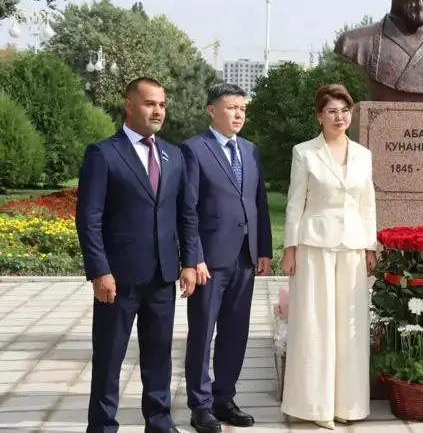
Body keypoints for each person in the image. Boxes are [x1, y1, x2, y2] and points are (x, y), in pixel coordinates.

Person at [76, 77, 197, 433]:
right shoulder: (103, 154)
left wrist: (189, 261)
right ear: (129, 106)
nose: (158, 110)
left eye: (161, 104)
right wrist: (100, 271)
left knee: (159, 356)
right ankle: (101, 427)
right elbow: (89, 218)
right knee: (109, 357)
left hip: (162, 275)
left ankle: (159, 422)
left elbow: (185, 214)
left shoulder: (174, 155)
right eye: (149, 104)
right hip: (118, 277)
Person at [279, 84, 377, 430]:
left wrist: (370, 247)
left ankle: (348, 405)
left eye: (345, 110)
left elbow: (368, 205)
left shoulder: (364, 154)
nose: (340, 117)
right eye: (332, 111)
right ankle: (313, 406)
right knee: (315, 325)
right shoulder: (304, 153)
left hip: (352, 248)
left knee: (350, 328)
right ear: (319, 116)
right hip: (313, 247)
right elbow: (294, 203)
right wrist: (289, 249)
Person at [181, 83, 273, 432]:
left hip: (245, 258)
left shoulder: (250, 151)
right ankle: (200, 405)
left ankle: (224, 398)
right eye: (232, 107)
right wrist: (193, 257)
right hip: (209, 261)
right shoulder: (193, 150)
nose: (239, 114)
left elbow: (260, 203)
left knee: (236, 332)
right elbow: (187, 210)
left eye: (243, 109)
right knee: (202, 334)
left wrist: (263, 249)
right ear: (212, 110)